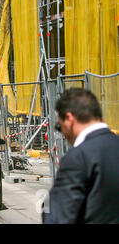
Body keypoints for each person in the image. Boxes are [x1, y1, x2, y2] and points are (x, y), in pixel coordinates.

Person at [42, 88, 119, 224]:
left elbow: (58, 218)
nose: (63, 135)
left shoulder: (78, 158)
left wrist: (49, 203)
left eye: (59, 127)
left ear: (69, 119)